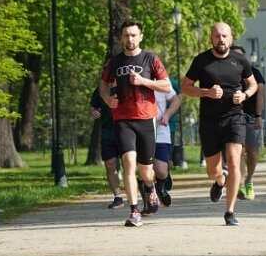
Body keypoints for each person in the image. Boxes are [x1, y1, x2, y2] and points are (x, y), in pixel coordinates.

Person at [181, 22, 257, 226]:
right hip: (210, 121)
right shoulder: (201, 61)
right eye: (217, 36)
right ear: (211, 39)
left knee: (234, 161)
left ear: (231, 39)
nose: (221, 39)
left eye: (224, 36)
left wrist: (245, 94)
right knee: (213, 170)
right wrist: (206, 92)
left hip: (234, 117)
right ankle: (219, 180)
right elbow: (185, 87)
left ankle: (230, 212)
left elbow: (253, 84)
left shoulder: (240, 60)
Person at [99, 20, 172, 227]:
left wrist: (143, 81)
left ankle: (150, 187)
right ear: (121, 38)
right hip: (122, 119)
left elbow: (166, 86)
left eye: (133, 35)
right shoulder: (115, 62)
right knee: (129, 163)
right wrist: (107, 99)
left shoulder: (151, 59)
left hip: (146, 119)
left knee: (146, 171)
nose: (129, 39)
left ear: (140, 36)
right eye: (126, 35)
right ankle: (134, 211)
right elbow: (103, 84)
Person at [230, 45, 265, 201]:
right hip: (232, 117)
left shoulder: (254, 73)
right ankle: (240, 183)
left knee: (251, 151)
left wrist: (258, 115)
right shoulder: (227, 74)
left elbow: (260, 93)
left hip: (250, 116)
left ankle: (249, 180)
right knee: (238, 152)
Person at [140, 85, 180, 215]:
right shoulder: (133, 79)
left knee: (162, 171)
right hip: (139, 131)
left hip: (161, 131)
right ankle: (148, 203)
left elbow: (176, 99)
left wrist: (167, 115)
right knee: (144, 171)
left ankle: (160, 187)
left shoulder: (161, 81)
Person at [89, 87, 123, 209]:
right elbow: (92, 106)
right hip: (107, 131)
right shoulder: (100, 90)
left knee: (128, 163)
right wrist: (93, 112)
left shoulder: (125, 84)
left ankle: (134, 195)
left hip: (126, 129)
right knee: (110, 164)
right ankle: (118, 197)